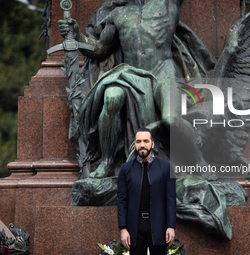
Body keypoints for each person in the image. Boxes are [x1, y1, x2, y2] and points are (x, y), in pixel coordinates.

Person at [59, 0, 214, 178]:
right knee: (112, 97)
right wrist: (77, 35)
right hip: (131, 74)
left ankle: (199, 160)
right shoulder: (117, 14)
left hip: (163, 73)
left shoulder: (167, 3)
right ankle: (107, 163)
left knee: (171, 120)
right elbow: (100, 49)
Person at [117, 127, 176, 254]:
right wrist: (123, 229)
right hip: (134, 227)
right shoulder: (125, 169)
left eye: (145, 141)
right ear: (134, 144)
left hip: (158, 225)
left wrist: (171, 226)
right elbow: (122, 201)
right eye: (138, 141)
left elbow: (170, 199)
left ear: (152, 144)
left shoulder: (166, 168)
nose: (142, 145)